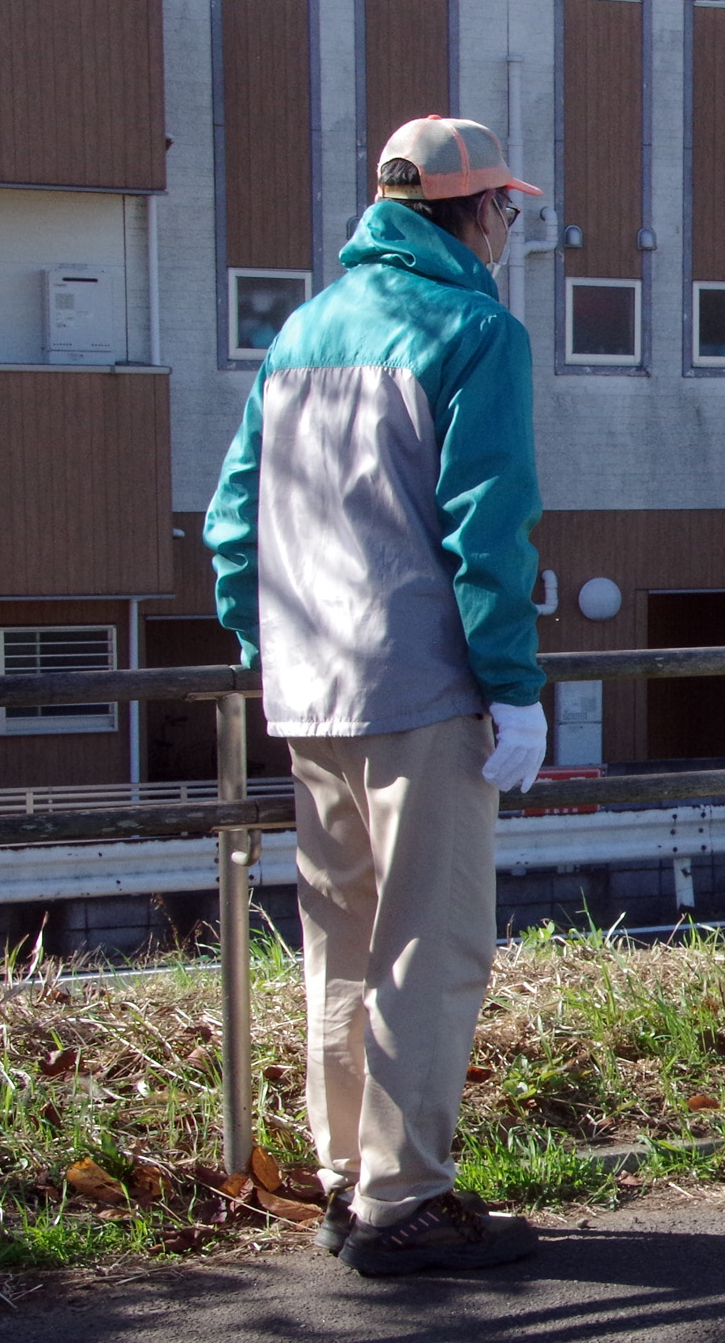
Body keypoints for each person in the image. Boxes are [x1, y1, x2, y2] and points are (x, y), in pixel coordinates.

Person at [205, 115, 551, 1277]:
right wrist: (514, 690)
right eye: (507, 205)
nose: (512, 223)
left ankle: (350, 1180)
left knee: (338, 945)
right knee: (431, 945)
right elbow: (486, 531)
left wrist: (269, 645)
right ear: (468, 211)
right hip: (422, 685)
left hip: (308, 690)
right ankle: (407, 1202)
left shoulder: (303, 327)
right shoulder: (475, 330)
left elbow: (232, 522)